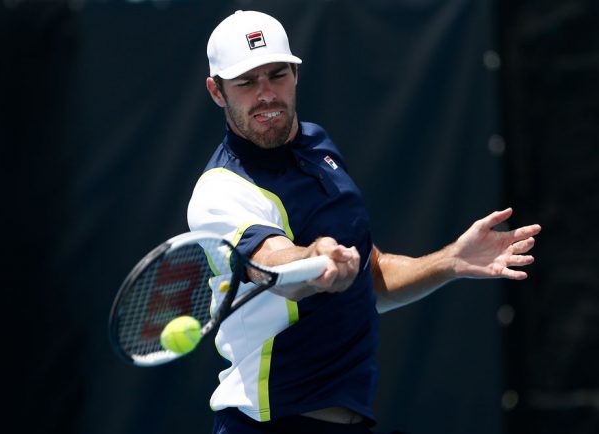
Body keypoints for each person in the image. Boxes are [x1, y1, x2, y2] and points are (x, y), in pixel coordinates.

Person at [187, 10, 541, 434]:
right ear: (216, 91)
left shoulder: (319, 147)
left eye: (276, 75)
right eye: (246, 82)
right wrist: (316, 258)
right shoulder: (220, 191)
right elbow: (274, 263)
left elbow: (369, 279)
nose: (265, 94)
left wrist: (450, 261)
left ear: (295, 74)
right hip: (265, 423)